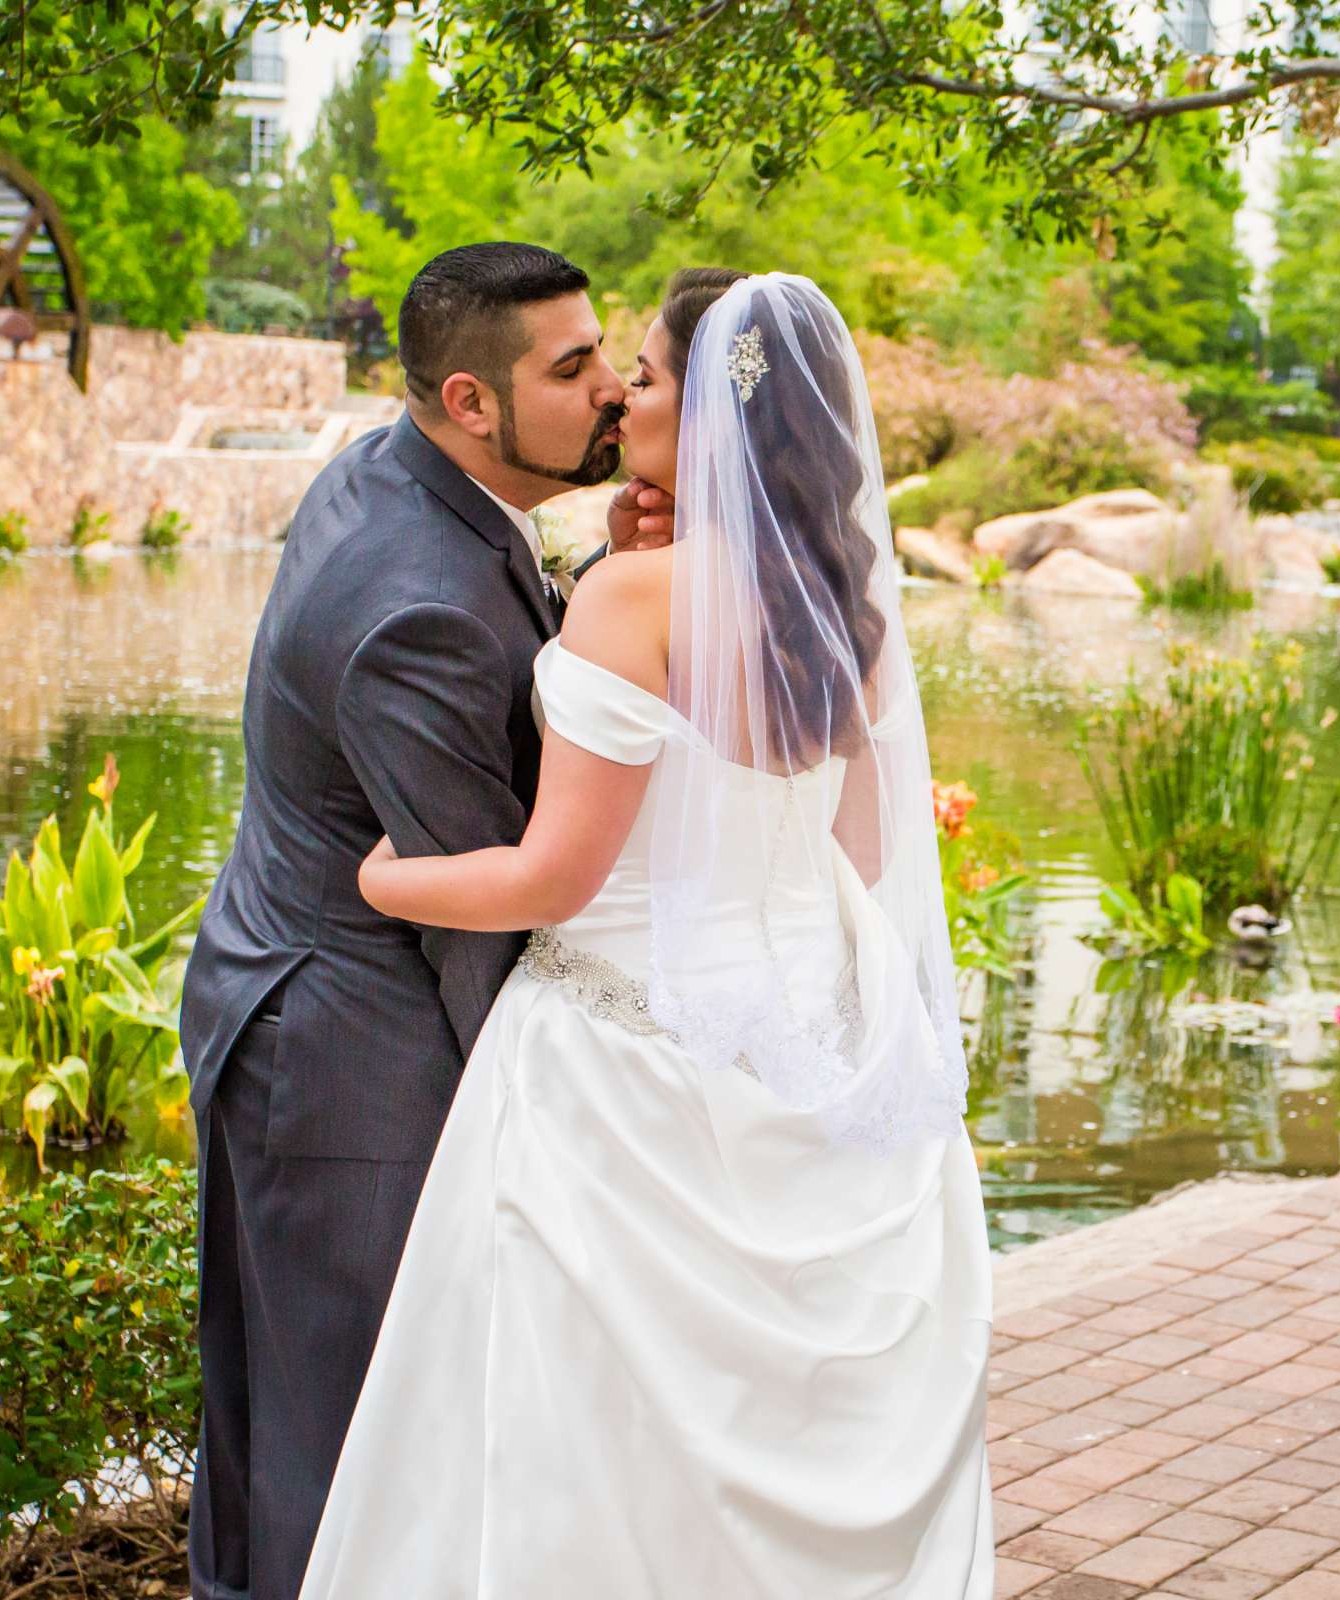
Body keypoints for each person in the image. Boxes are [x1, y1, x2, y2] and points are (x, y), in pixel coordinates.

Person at [298, 270, 995, 1597]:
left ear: (720, 419)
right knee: (764, 1412)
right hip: (816, 1037)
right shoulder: (838, 595)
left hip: (622, 1069)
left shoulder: (635, 600)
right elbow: (858, 851)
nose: (623, 394)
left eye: (653, 378)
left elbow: (552, 878)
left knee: (584, 1443)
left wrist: (385, 882)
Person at [178, 241, 669, 1600]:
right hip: (353, 1062)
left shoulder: (392, 473)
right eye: (572, 370)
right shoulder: (417, 610)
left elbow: (503, 661)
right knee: (341, 1446)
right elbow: (483, 907)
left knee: (301, 1418)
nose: (616, 392)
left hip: (288, 980)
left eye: (610, 353)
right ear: (469, 402)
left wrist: (597, 592)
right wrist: (579, 1112)